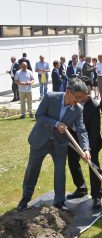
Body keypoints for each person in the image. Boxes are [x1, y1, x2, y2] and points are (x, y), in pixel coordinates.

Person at [17, 78, 91, 211]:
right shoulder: (50, 97)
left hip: (60, 143)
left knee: (60, 171)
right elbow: (39, 116)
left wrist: (85, 149)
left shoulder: (78, 109)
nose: (79, 100)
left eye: (82, 98)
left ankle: (59, 201)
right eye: (78, 97)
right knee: (33, 168)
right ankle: (26, 198)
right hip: (41, 139)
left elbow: (81, 129)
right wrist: (56, 124)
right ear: (68, 92)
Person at [67, 76, 102, 209]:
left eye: (88, 94)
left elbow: (94, 131)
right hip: (73, 137)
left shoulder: (93, 106)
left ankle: (96, 195)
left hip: (91, 140)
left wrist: (87, 150)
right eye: (83, 94)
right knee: (72, 161)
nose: (86, 97)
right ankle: (81, 188)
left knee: (93, 165)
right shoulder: (71, 101)